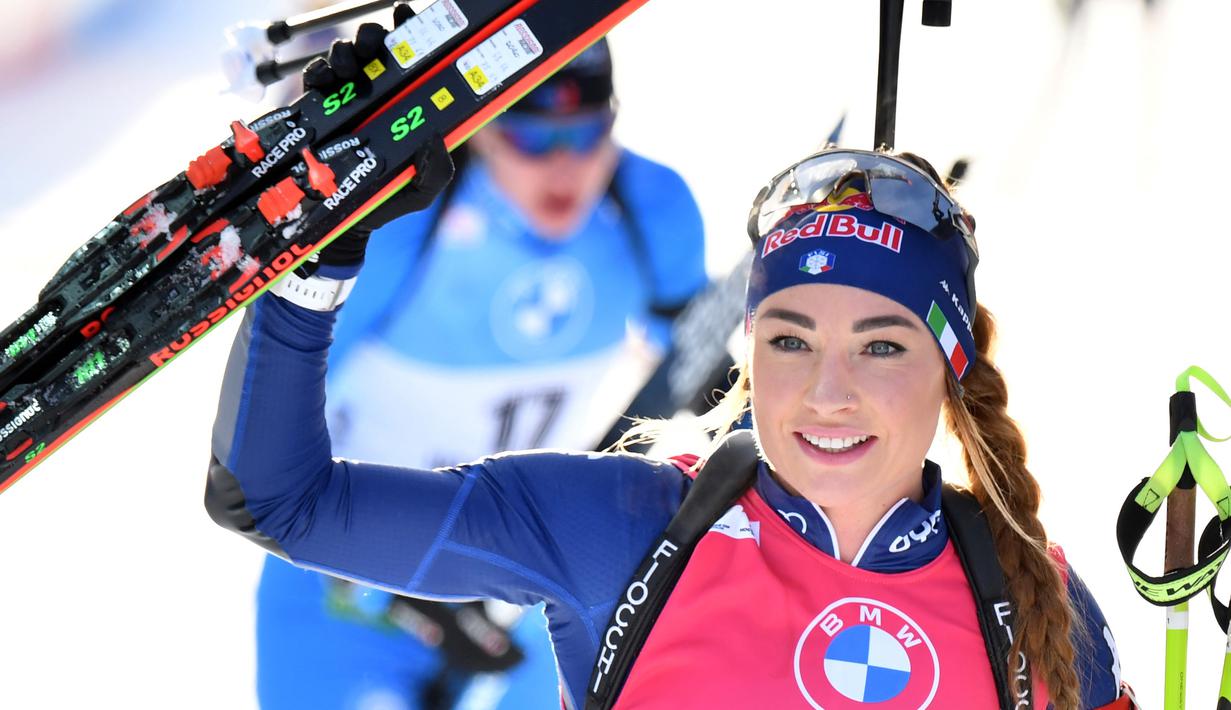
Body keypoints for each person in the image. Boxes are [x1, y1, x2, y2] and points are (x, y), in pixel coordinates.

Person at [206, 80, 1136, 704]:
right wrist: (312, 268)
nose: (827, 391)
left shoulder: (1032, 595)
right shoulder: (618, 528)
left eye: (882, 345)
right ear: (748, 351)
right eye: (789, 339)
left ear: (951, 363)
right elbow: (283, 502)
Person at [253, 37, 709, 710]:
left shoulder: (651, 209)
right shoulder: (405, 222)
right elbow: (264, 437)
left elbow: (714, 377)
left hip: (523, 589)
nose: (565, 168)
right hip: (341, 594)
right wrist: (406, 601)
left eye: (588, 135)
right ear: (485, 127)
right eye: (533, 140)